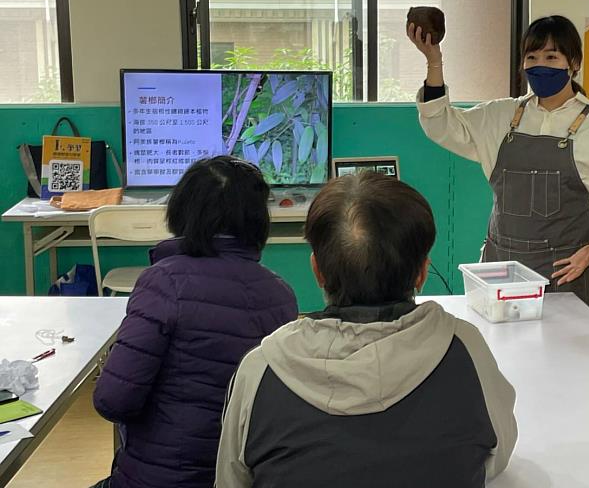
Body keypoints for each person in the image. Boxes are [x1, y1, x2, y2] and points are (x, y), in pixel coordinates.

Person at [216, 172, 518, 488]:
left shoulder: (260, 369)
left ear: (316, 270)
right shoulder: (465, 348)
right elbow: (498, 456)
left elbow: (231, 480)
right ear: (422, 273)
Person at [408, 14, 589, 318]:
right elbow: (441, 123)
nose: (540, 64)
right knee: (504, 359)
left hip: (567, 277)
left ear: (573, 63)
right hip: (502, 273)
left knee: (569, 360)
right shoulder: (501, 116)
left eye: (551, 56)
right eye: (532, 56)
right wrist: (434, 61)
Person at [92, 156, 298, 488]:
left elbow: (113, 400)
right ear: (259, 221)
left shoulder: (163, 282)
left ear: (182, 209)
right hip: (240, 478)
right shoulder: (283, 295)